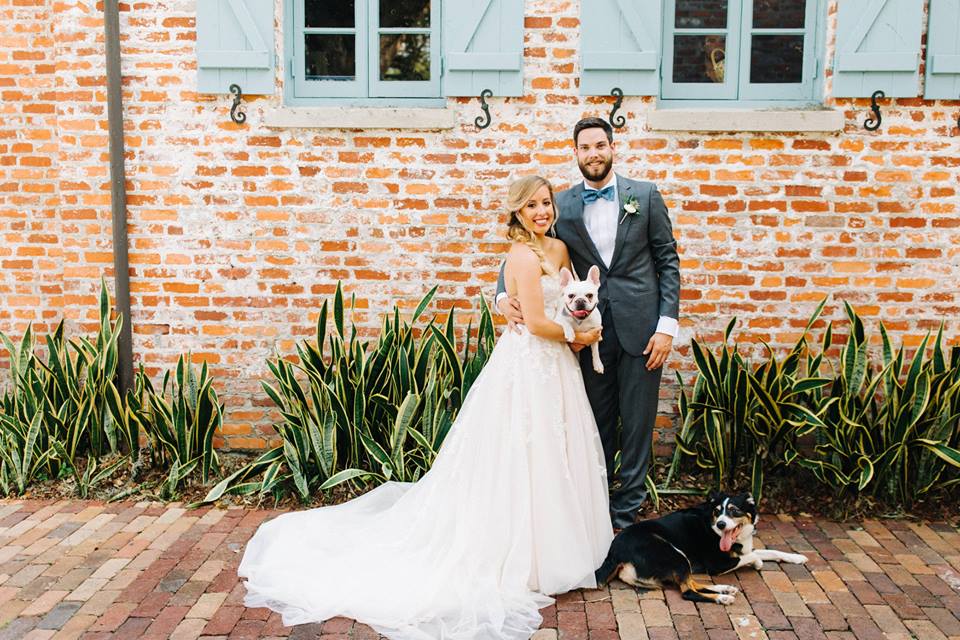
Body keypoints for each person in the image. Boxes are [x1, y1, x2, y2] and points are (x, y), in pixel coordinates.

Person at [238, 175, 613, 640]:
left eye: (546, 203)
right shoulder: (518, 255)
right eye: (531, 205)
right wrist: (580, 336)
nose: (541, 212)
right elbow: (536, 322)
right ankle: (524, 556)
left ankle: (556, 548)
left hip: (557, 368)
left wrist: (569, 330)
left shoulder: (558, 250)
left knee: (557, 450)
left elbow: (566, 298)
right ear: (516, 212)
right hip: (529, 363)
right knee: (520, 451)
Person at [497, 117, 681, 531]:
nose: (593, 153)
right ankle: (593, 509)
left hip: (642, 329)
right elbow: (525, 247)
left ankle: (625, 513)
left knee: (637, 424)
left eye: (600, 145)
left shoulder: (646, 197)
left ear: (612, 147)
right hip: (585, 336)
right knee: (592, 422)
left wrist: (667, 326)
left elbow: (668, 260)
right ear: (575, 152)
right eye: (585, 147)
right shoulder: (560, 204)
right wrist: (501, 298)